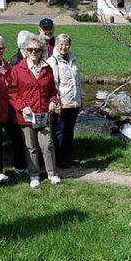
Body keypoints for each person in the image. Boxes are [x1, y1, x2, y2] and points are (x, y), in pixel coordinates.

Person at [9, 35, 61, 188]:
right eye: (30, 49)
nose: (33, 52)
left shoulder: (47, 68)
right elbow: (12, 93)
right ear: (25, 51)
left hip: (44, 114)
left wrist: (53, 101)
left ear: (41, 52)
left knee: (47, 145)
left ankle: (52, 173)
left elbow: (52, 90)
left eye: (37, 50)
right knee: (30, 146)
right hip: (27, 115)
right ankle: (34, 174)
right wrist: (21, 106)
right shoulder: (18, 69)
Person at [0, 34, 27, 181]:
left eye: (1, 48)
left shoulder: (8, 66)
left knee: (18, 137)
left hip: (10, 109)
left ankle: (19, 166)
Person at [46, 33, 85, 169]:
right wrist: (56, 101)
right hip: (62, 102)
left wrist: (81, 96)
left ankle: (68, 156)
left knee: (69, 131)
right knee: (60, 131)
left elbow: (77, 80)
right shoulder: (53, 61)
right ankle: (59, 159)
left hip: (74, 101)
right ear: (56, 45)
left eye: (66, 44)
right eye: (61, 44)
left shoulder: (72, 58)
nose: (64, 47)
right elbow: (53, 83)